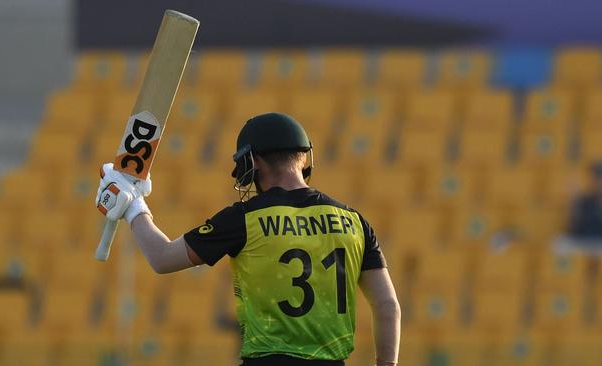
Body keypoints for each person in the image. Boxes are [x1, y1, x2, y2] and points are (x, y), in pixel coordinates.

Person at [95, 112, 401, 366]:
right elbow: (388, 306)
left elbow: (162, 258)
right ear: (305, 158)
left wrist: (134, 206)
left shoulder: (244, 217)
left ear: (252, 161)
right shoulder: (354, 221)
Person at [554, 160, 602, 256]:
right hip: (582, 241)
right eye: (597, 176)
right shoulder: (583, 199)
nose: (599, 180)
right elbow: (572, 227)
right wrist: (573, 204)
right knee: (559, 244)